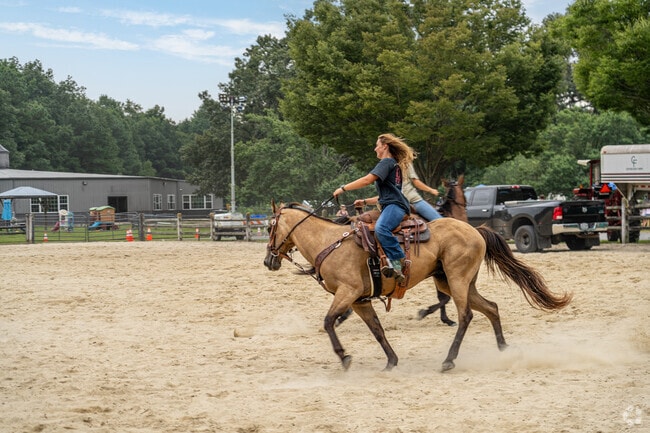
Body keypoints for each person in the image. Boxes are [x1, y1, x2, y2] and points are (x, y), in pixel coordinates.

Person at [333, 133, 414, 283]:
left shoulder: (386, 162)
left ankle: (398, 261)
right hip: (393, 204)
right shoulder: (393, 165)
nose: (375, 149)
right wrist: (364, 202)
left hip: (394, 206)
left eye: (377, 145)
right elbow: (386, 196)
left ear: (384, 146)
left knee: (381, 228)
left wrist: (343, 188)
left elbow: (367, 180)